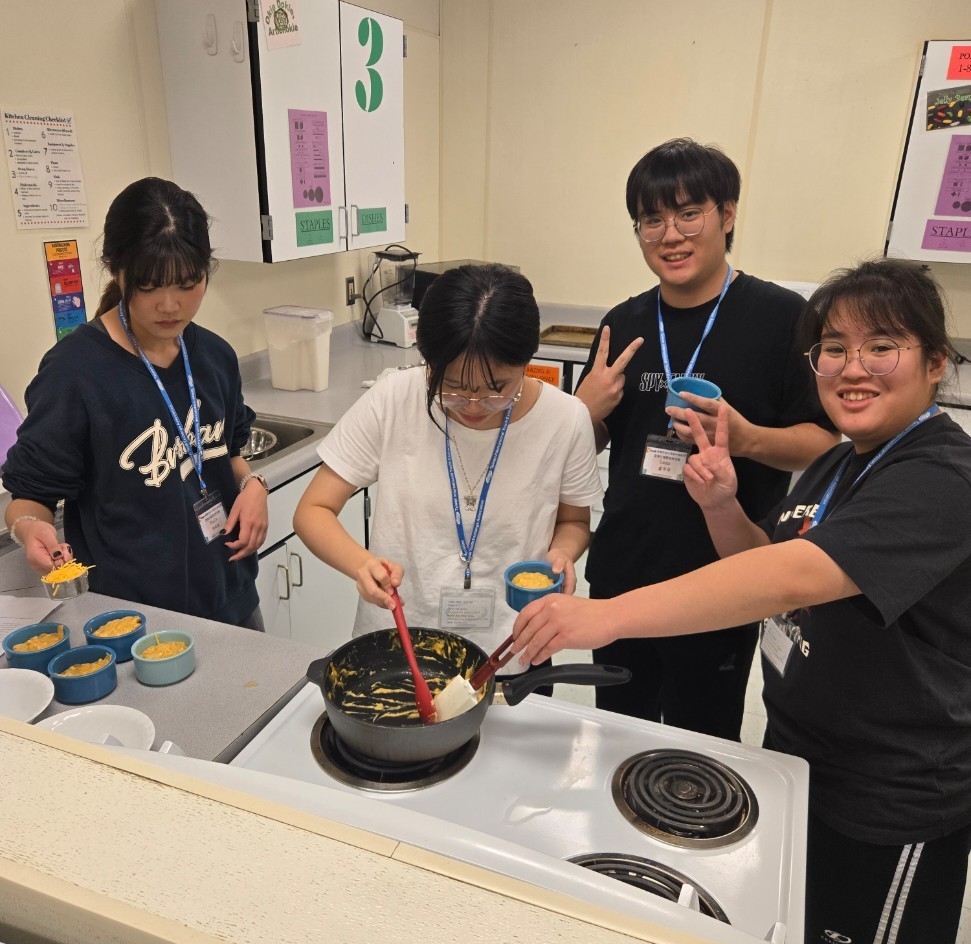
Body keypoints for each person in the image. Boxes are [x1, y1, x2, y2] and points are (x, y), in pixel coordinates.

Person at [513, 258, 971, 944]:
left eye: (881, 346)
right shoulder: (846, 460)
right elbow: (768, 556)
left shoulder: (941, 475)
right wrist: (722, 505)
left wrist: (605, 616)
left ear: (935, 361)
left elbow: (793, 574)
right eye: (833, 348)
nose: (853, 368)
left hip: (887, 793)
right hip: (800, 763)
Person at [574, 137, 839, 740]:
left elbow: (827, 445)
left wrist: (746, 440)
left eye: (689, 212)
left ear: (728, 213)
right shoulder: (625, 323)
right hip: (624, 572)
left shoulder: (783, 319)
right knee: (617, 736)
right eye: (651, 219)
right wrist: (581, 414)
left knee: (705, 744)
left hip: (726, 574)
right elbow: (584, 446)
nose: (670, 234)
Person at [293, 262, 602, 675]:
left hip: (513, 648)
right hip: (400, 646)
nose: (473, 405)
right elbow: (313, 510)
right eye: (452, 387)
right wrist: (360, 564)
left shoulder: (566, 419)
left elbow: (574, 521)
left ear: (527, 361)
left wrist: (562, 553)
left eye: (497, 388)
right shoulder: (393, 399)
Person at [2, 177, 267, 628]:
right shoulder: (75, 373)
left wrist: (254, 487)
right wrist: (31, 528)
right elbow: (30, 496)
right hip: (135, 621)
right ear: (114, 268)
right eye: (148, 286)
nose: (170, 305)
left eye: (187, 283)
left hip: (233, 597)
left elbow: (232, 454)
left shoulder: (215, 356)